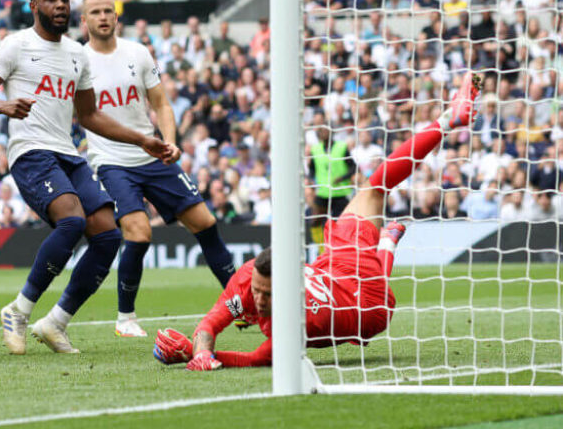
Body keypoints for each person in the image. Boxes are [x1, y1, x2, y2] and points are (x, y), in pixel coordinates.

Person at [153, 73, 482, 369]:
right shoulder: (247, 279)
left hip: (360, 296)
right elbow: (209, 324)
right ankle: (387, 241)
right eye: (258, 291)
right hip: (345, 284)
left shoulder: (298, 320)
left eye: (269, 295)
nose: (261, 301)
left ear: (291, 288)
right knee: (372, 193)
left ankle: (447, 122)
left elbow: (257, 358)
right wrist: (200, 351)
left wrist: (191, 354)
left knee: (374, 189)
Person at [0, 0, 172, 354]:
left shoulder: (77, 53)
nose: (60, 5)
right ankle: (18, 310)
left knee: (108, 235)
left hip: (69, 154)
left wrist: (142, 139)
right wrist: (2, 106)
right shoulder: (16, 45)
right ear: (34, 6)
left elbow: (89, 115)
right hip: (31, 151)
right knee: (73, 221)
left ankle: (55, 322)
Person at [80, 0, 235, 337]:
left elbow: (162, 104)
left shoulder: (138, 52)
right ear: (84, 20)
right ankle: (125, 318)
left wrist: (170, 142)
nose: (103, 17)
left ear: (116, 17)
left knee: (206, 223)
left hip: (151, 153)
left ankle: (240, 304)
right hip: (111, 161)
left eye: (108, 11)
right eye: (96, 12)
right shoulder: (78, 60)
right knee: (139, 231)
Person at [308, 125, 356, 248]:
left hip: (341, 192)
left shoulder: (342, 147)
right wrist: (311, 180)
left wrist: (342, 178)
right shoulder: (315, 149)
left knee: (339, 223)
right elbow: (312, 169)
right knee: (315, 221)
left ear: (331, 132)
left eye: (326, 130)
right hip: (323, 192)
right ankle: (321, 248)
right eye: (321, 131)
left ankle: (340, 248)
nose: (323, 133)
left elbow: (353, 167)